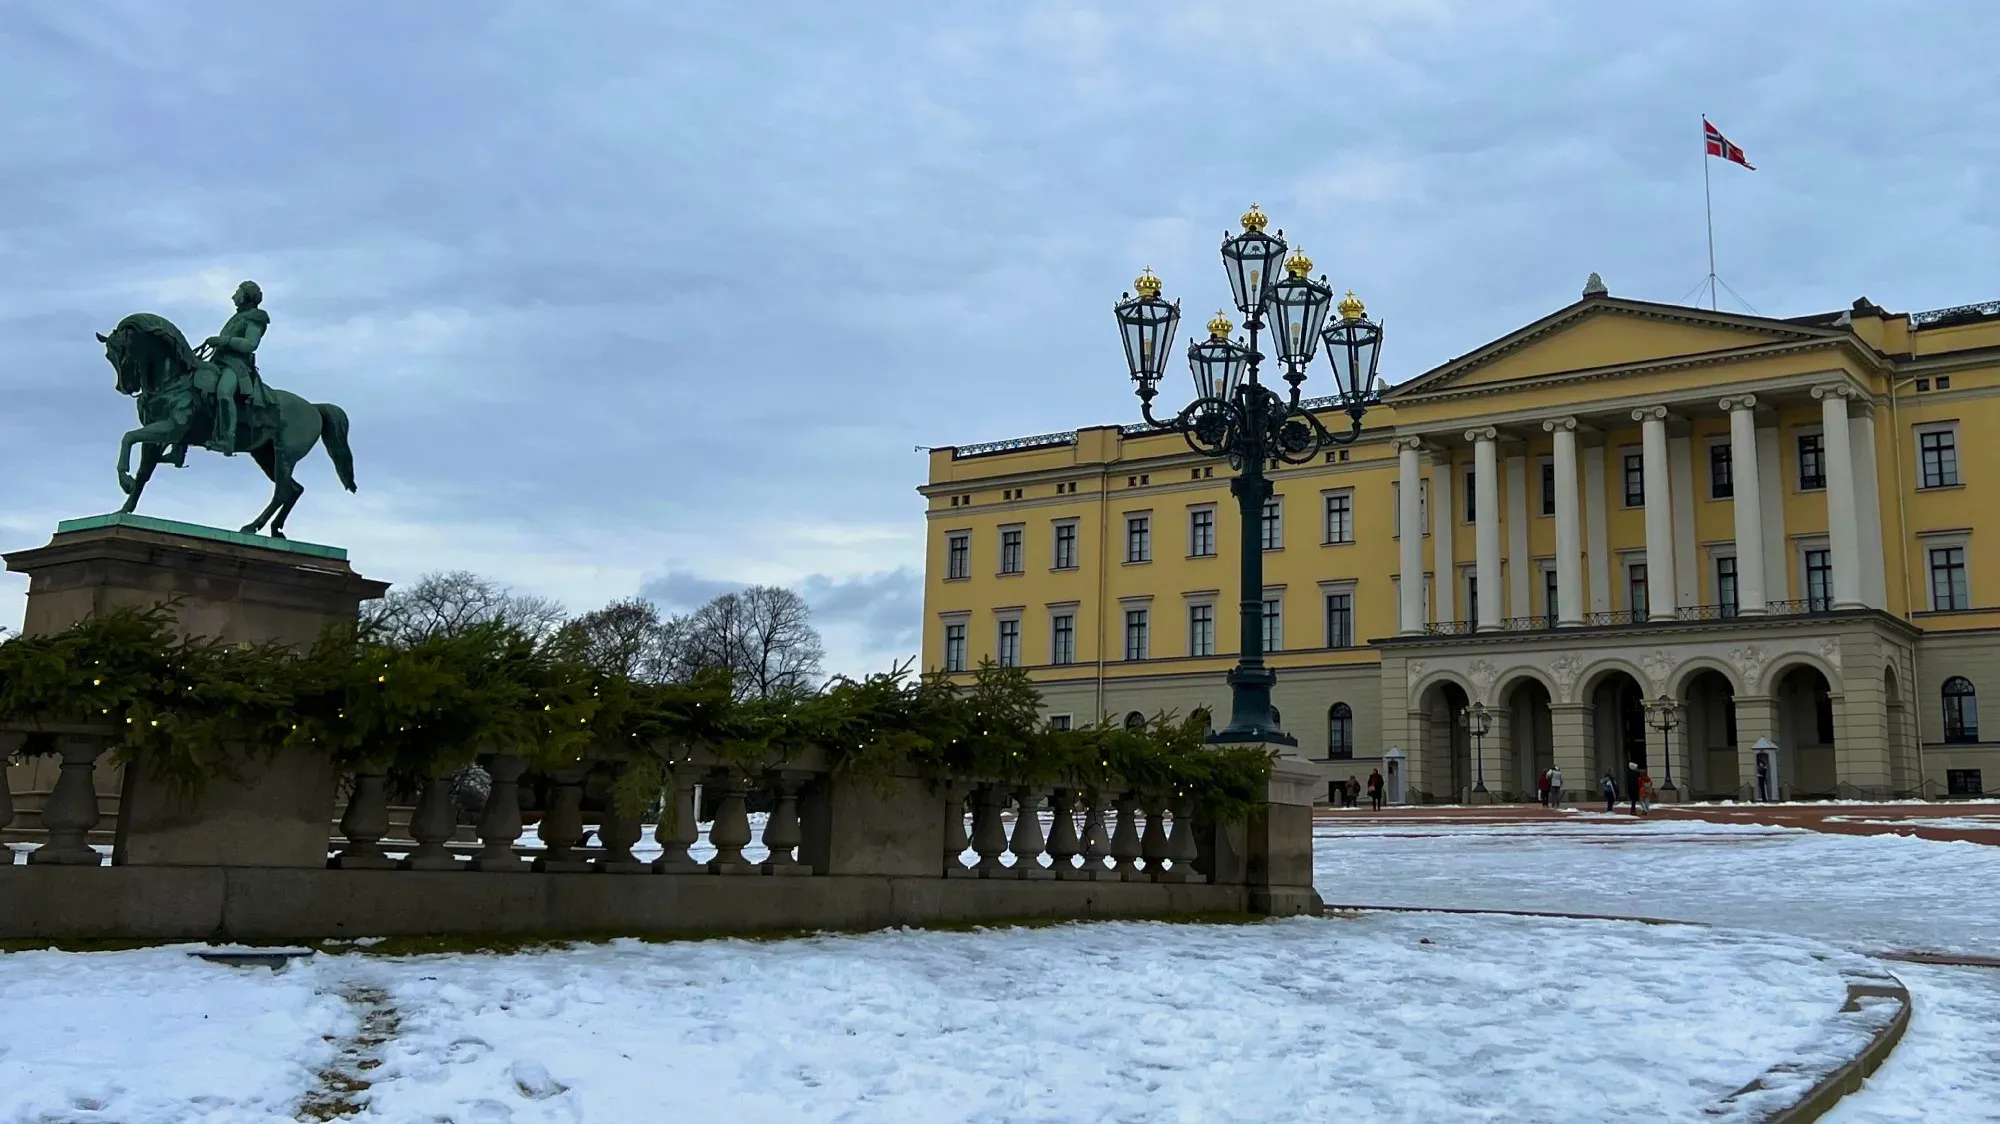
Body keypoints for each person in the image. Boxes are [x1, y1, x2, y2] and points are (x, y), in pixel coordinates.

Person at [199, 280, 271, 456]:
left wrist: (224, 341)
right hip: (219, 361)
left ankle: (227, 439)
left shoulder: (255, 318)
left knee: (224, 392)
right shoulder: (238, 317)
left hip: (237, 366)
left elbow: (250, 344)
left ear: (246, 296)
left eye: (238, 293)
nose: (233, 297)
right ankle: (179, 448)